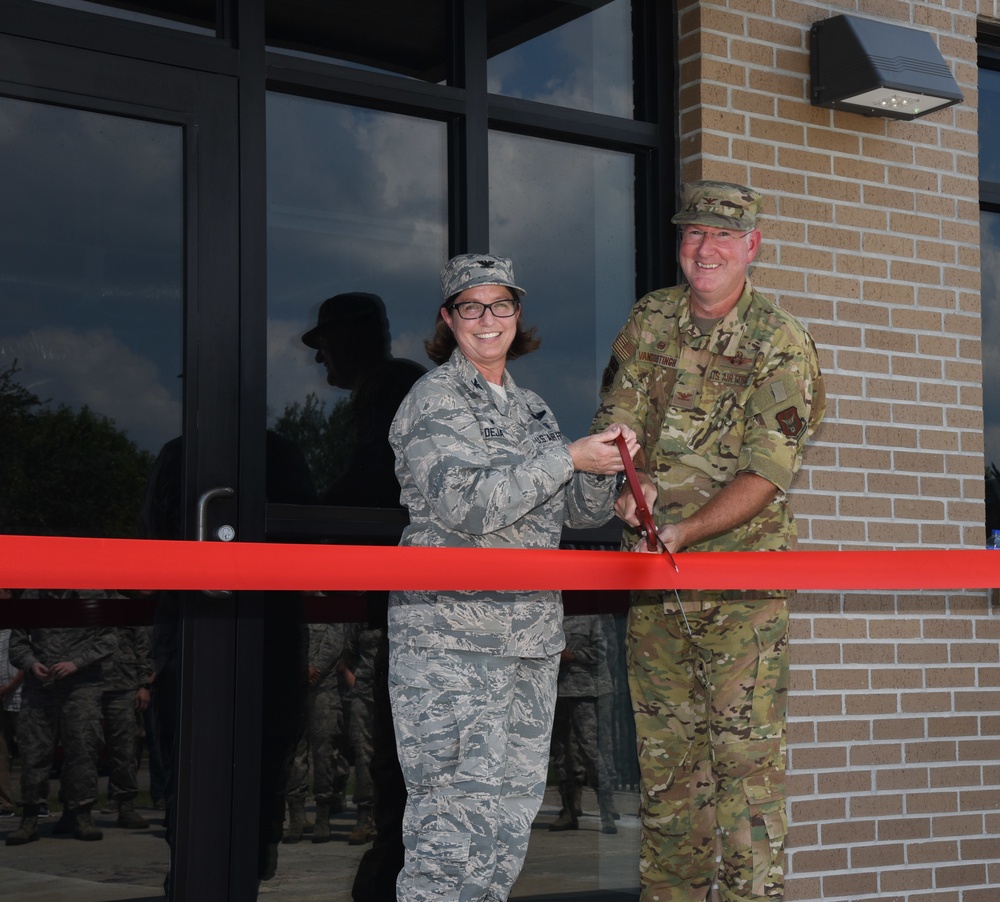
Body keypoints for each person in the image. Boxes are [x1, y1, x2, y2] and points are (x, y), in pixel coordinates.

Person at [591, 180, 826, 901]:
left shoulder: (779, 343)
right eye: (694, 233)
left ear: (752, 245)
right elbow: (620, 417)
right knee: (667, 779)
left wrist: (686, 529)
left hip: (739, 594)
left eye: (724, 235)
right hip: (657, 590)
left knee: (745, 782)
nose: (707, 248)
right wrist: (636, 486)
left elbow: (768, 471)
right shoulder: (651, 318)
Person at [387, 252, 640, 901]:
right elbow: (469, 505)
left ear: (516, 315)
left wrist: (612, 475)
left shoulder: (528, 408)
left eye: (500, 304)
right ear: (449, 320)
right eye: (471, 306)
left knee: (505, 825)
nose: (487, 318)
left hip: (527, 639)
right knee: (450, 834)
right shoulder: (434, 401)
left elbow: (569, 511)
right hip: (452, 646)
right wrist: (567, 457)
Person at [6, 603, 118, 844]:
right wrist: (30, 663)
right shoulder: (32, 596)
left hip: (81, 687)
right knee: (33, 752)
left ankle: (82, 816)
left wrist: (77, 662)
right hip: (40, 689)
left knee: (83, 750)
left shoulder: (91, 594)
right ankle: (29, 818)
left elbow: (109, 639)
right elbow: (17, 643)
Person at [547, 613, 619, 835]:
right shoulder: (551, 615)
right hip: (557, 692)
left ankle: (607, 811)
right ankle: (568, 810)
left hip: (585, 692)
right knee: (561, 753)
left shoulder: (592, 617)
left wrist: (572, 656)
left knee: (591, 750)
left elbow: (603, 652)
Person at [0, 609, 25, 818]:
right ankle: (5, 803)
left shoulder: (18, 629)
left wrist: (9, 686)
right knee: (1, 755)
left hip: (20, 697)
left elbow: (26, 663)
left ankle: (34, 801)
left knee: (29, 751)